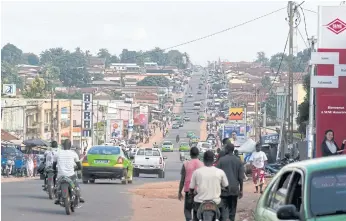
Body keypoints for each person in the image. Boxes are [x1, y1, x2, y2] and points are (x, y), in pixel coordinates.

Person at [190, 150, 229, 221]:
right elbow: (226, 186)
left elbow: (191, 188)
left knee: (194, 215)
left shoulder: (196, 172)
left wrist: (192, 193)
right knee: (224, 215)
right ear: (213, 160)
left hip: (199, 202)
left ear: (204, 160)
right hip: (216, 202)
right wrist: (224, 189)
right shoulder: (220, 172)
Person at [216, 142, 244, 221]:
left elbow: (217, 175)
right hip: (234, 190)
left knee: (224, 210)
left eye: (225, 148)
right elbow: (240, 177)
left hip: (224, 190)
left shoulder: (221, 160)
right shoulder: (238, 161)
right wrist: (241, 190)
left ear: (227, 149)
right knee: (233, 210)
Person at [53, 139, 85, 204]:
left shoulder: (57, 153)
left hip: (61, 175)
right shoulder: (73, 154)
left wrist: (55, 170)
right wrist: (76, 169)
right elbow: (79, 166)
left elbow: (54, 165)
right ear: (70, 146)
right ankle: (79, 196)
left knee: (57, 185)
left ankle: (58, 198)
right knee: (76, 185)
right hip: (71, 175)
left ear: (62, 146)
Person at [178, 147, 204, 221]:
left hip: (189, 191)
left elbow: (182, 180)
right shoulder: (202, 165)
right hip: (199, 192)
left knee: (187, 210)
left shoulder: (186, 164)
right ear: (198, 154)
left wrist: (179, 192)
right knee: (197, 211)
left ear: (190, 154)